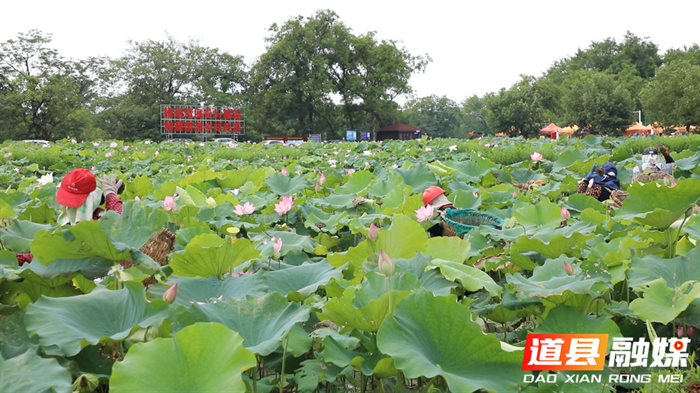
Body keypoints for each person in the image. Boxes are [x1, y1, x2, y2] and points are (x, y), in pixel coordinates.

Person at [15, 168, 124, 264]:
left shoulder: (103, 219)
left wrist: (111, 195)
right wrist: (14, 259)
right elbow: (46, 255)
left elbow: (122, 221)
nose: (70, 208)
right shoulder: (64, 227)